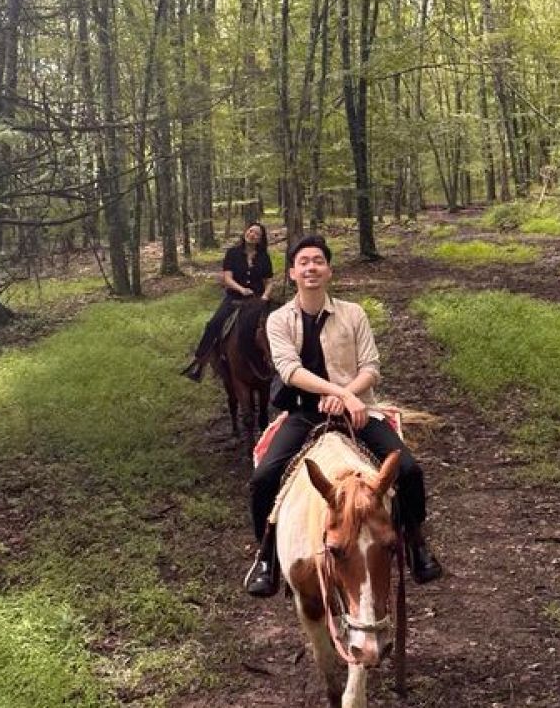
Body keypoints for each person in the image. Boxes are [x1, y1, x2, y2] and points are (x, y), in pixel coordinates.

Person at [244, 234, 443, 597]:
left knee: (410, 471)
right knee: (264, 479)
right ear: (292, 272)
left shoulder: (353, 313)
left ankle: (416, 542)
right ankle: (267, 557)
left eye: (318, 260)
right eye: (303, 262)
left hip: (359, 412)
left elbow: (371, 366)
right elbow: (289, 370)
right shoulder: (278, 320)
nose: (311, 267)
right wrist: (336, 392)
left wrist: (350, 398)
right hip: (304, 413)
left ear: (329, 270)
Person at [181, 222, 274, 382]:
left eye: (257, 233)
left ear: (260, 239)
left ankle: (277, 363)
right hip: (234, 298)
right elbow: (227, 278)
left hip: (257, 300)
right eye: (250, 231)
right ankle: (199, 362)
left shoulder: (264, 256)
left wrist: (265, 296)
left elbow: (270, 281)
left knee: (272, 326)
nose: (252, 234)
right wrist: (241, 289)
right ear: (245, 233)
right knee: (214, 324)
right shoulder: (233, 253)